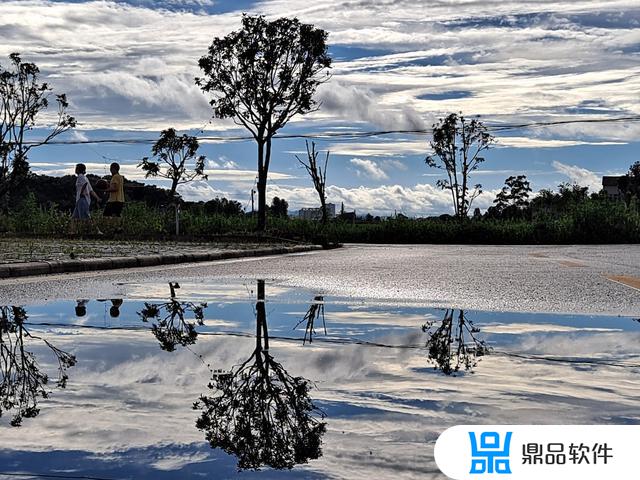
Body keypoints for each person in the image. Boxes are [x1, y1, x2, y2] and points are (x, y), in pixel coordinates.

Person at [71, 163, 102, 235]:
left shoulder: (80, 177)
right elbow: (91, 190)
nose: (75, 169)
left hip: (82, 199)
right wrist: (97, 198)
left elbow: (84, 184)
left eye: (76, 168)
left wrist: (81, 192)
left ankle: (97, 231)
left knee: (86, 218)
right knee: (74, 218)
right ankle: (72, 232)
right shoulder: (86, 178)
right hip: (81, 200)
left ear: (78, 169)